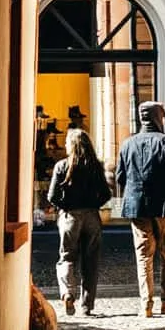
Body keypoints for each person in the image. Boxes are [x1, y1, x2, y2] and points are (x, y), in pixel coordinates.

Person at [114, 100, 165, 317]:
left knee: (144, 256)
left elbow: (119, 177)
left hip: (138, 207)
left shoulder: (127, 144)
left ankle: (146, 304)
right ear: (158, 118)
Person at [46, 127, 111, 317]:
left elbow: (52, 196)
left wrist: (66, 206)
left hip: (70, 217)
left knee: (66, 257)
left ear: (71, 146)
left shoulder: (62, 166)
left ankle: (67, 293)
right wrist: (93, 205)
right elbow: (106, 194)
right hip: (91, 217)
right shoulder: (95, 166)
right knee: (90, 262)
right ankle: (86, 306)